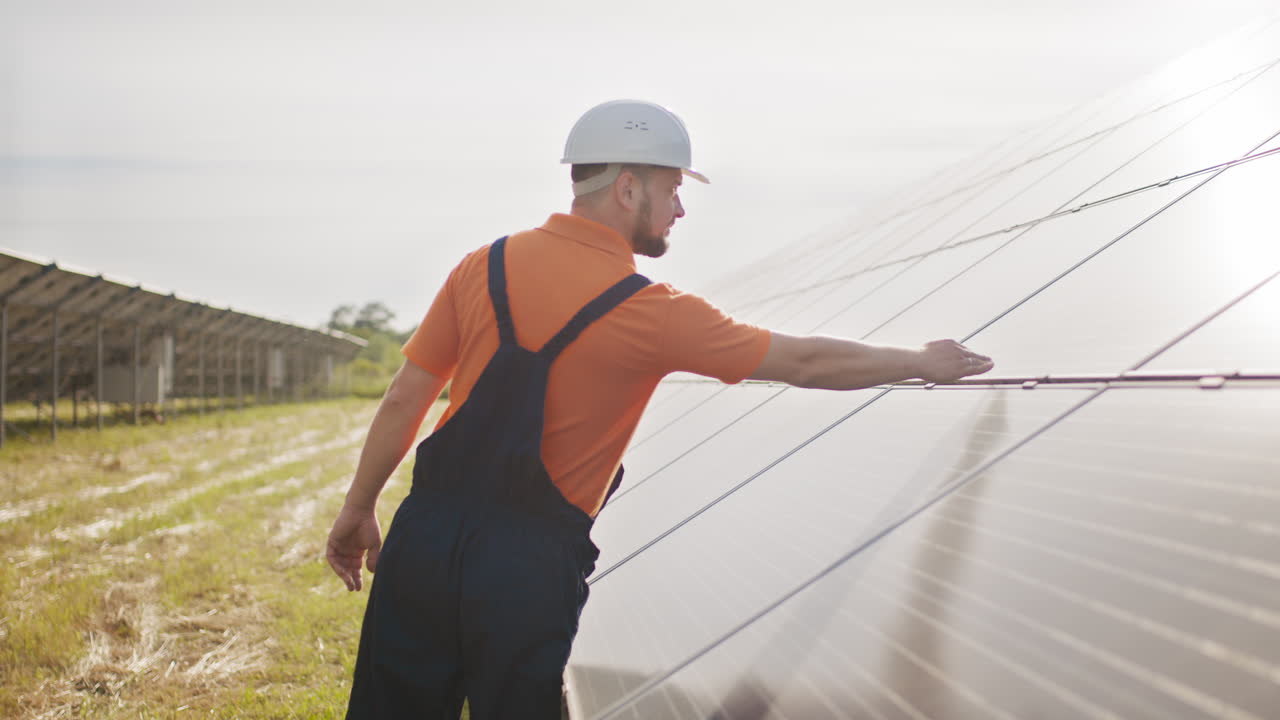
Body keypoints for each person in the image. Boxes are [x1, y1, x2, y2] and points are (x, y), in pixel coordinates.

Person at [325, 99, 994, 719]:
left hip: (424, 537)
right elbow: (805, 363)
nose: (679, 209)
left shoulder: (483, 265)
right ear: (627, 188)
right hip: (526, 568)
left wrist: (359, 507)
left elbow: (406, 396)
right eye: (673, 189)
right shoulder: (653, 312)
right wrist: (917, 360)